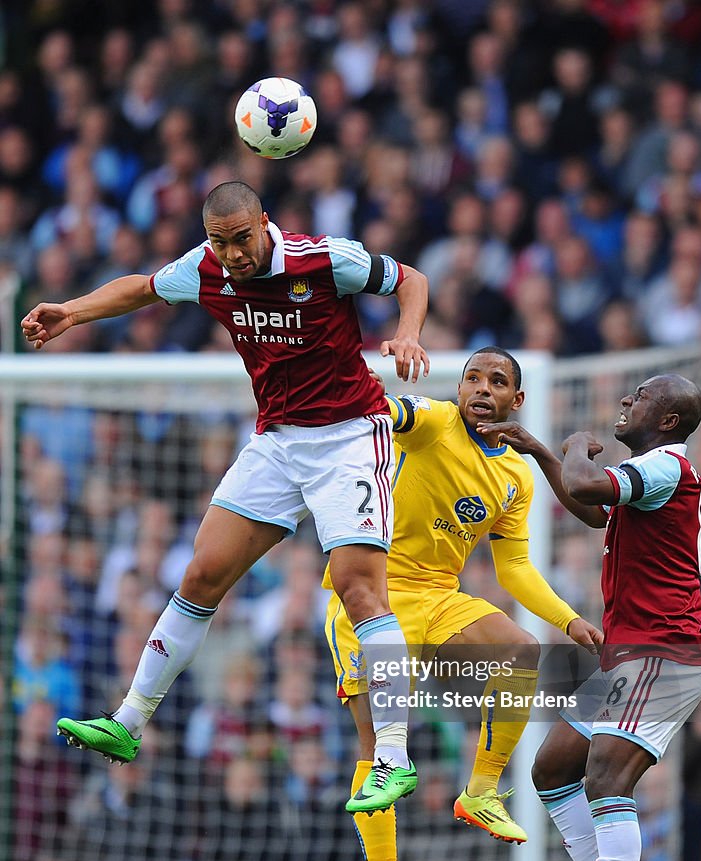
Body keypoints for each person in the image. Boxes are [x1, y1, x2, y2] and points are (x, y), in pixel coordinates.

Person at [21, 180, 430, 811]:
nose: (234, 253)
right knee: (202, 573)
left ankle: (394, 759)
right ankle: (128, 724)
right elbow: (141, 287)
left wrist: (407, 332)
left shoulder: (321, 259)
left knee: (358, 589)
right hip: (276, 442)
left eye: (242, 238)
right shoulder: (206, 268)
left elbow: (410, 278)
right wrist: (72, 312)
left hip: (349, 435)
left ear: (264, 224)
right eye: (221, 242)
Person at [324, 347, 603, 861]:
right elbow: (387, 412)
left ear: (516, 401)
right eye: (472, 378)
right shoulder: (430, 422)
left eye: (496, 381)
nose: (481, 388)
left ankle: (481, 790)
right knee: (379, 749)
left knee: (523, 654)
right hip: (368, 593)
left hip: (436, 594)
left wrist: (569, 620)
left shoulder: (514, 475)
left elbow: (515, 570)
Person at [486, 373, 701, 861]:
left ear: (666, 421)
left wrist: (576, 443)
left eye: (642, 396)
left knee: (607, 778)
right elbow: (591, 513)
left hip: (664, 652)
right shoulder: (652, 479)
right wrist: (537, 449)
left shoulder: (667, 467)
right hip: (631, 655)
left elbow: (585, 484)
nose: (627, 400)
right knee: (553, 767)